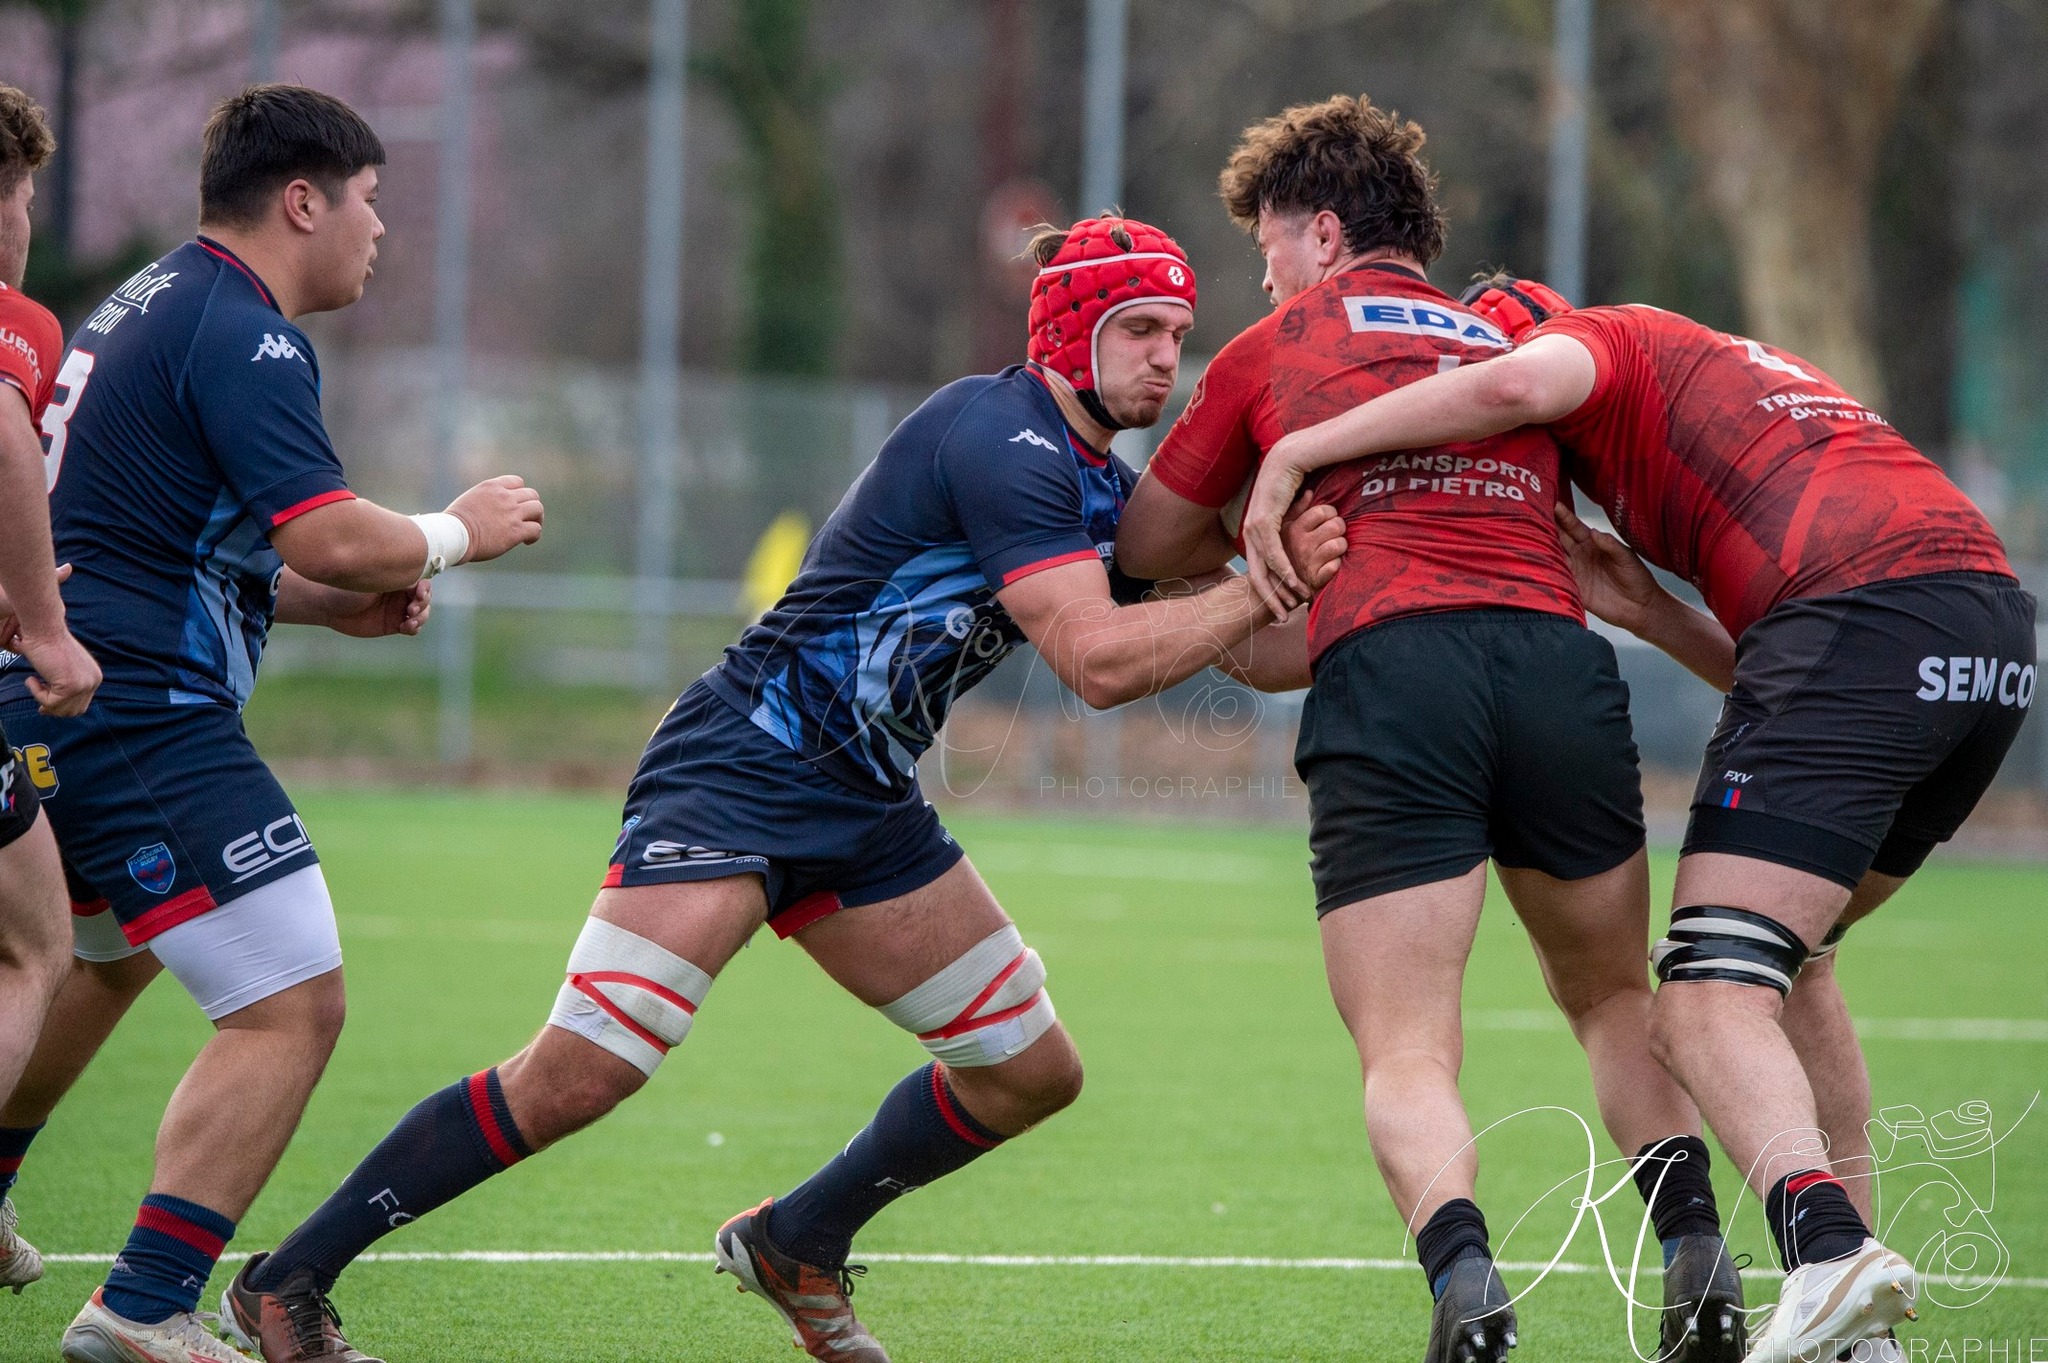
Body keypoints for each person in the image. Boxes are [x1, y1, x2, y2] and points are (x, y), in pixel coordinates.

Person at [221, 214, 1343, 1363]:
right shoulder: (997, 434)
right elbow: (1101, 665)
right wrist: (1258, 586)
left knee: (1026, 1071)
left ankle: (796, 1241)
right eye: (1140, 328)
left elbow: (1252, 655)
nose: (1168, 356)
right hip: (742, 766)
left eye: (1178, 333)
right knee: (581, 1071)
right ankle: (286, 1279)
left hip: (862, 799)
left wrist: (1371, 593)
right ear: (1069, 332)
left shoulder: (1101, 492)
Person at [1238, 275, 2032, 1362]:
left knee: (1700, 997)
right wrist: (1649, 611)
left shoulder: (1586, 346)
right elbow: (1781, 672)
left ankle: (1826, 1251)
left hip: (1859, 608)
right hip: (1980, 635)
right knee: (1796, 959)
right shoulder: (1730, 373)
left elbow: (1519, 376)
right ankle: (1856, 1334)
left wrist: (1295, 450)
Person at [1116, 97, 1747, 1363]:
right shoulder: (1499, 339)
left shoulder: (1275, 342)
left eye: (1270, 245)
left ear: (1326, 234)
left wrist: (1261, 545)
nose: (1265, 272)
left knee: (1406, 1042)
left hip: (1395, 670)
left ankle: (1465, 1281)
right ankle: (1695, 1251)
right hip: (1553, 664)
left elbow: (1141, 548)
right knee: (1614, 1000)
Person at [0, 85, 547, 1363]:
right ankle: (143, 1303)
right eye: (368, 202)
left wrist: (315, 607)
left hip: (77, 695)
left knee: (110, 956)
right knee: (291, 1003)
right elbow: (325, 526)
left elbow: (162, 539)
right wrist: (460, 528)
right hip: (138, 710)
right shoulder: (244, 332)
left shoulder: (154, 297)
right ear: (301, 199)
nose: (377, 233)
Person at [0, 81, 104, 1295]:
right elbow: (6, 438)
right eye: (24, 192)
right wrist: (47, 626)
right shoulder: (15, 321)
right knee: (36, 947)